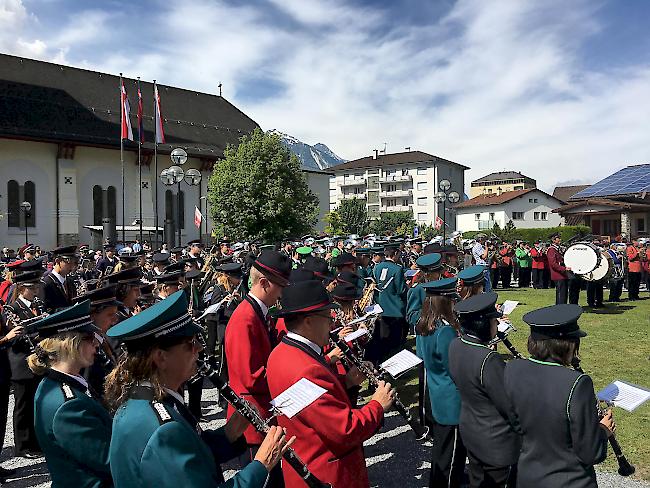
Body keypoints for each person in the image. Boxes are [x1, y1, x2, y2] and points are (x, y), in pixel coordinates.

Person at [106, 290, 291, 488]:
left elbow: (191, 458)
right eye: (190, 344)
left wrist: (228, 433)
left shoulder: (143, 402)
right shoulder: (163, 429)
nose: (199, 349)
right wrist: (261, 465)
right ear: (161, 358)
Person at [266, 280, 395, 487]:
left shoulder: (279, 353)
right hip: (328, 473)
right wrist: (378, 405)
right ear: (308, 321)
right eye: (327, 317)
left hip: (304, 462)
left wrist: (346, 381)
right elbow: (344, 429)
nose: (332, 324)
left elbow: (310, 404)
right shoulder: (306, 368)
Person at [504, 304, 614, 488]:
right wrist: (603, 430)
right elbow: (590, 452)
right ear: (568, 344)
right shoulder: (577, 383)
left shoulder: (511, 368)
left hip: (525, 475)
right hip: (568, 479)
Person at [28, 300, 113, 487]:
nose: (96, 345)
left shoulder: (60, 383)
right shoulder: (69, 405)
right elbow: (107, 459)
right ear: (70, 344)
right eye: (90, 338)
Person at [224, 251, 291, 485]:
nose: (282, 292)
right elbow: (251, 377)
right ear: (264, 283)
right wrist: (288, 382)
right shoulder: (245, 317)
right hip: (252, 421)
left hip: (261, 413)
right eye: (280, 286)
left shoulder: (256, 313)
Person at [448, 292, 521, 488]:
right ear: (482, 324)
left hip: (471, 428)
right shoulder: (489, 359)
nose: (497, 325)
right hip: (496, 440)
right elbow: (508, 404)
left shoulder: (456, 344)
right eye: (494, 321)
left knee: (477, 480)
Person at [416, 277, 467, 488]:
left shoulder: (423, 325)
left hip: (436, 392)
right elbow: (455, 367)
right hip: (451, 400)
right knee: (452, 457)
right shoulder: (445, 330)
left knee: (442, 452)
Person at [1, 271, 45, 458]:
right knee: (22, 405)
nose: (35, 291)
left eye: (36, 287)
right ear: (21, 289)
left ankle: (34, 442)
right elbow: (14, 338)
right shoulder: (12, 309)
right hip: (20, 362)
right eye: (32, 288)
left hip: (35, 361)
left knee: (34, 403)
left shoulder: (35, 305)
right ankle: (22, 446)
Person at [74, 284, 120, 396]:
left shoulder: (103, 339)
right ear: (92, 316)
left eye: (116, 314)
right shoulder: (87, 349)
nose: (115, 320)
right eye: (110, 315)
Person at [370, 244, 407, 363]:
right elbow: (401, 290)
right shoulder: (398, 269)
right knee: (395, 341)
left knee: (383, 338)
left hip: (381, 308)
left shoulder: (377, 267)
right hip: (395, 308)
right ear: (395, 253)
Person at [39, 245, 79, 312]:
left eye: (73, 262)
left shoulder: (70, 282)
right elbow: (46, 310)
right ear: (57, 261)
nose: (72, 266)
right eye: (68, 262)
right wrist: (70, 309)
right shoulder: (46, 283)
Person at [546, 233, 570, 304]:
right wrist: (564, 269)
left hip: (562, 274)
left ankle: (562, 307)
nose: (560, 239)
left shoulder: (557, 249)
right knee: (561, 293)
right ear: (553, 240)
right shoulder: (551, 250)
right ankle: (560, 308)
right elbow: (553, 264)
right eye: (558, 238)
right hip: (558, 274)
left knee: (564, 293)